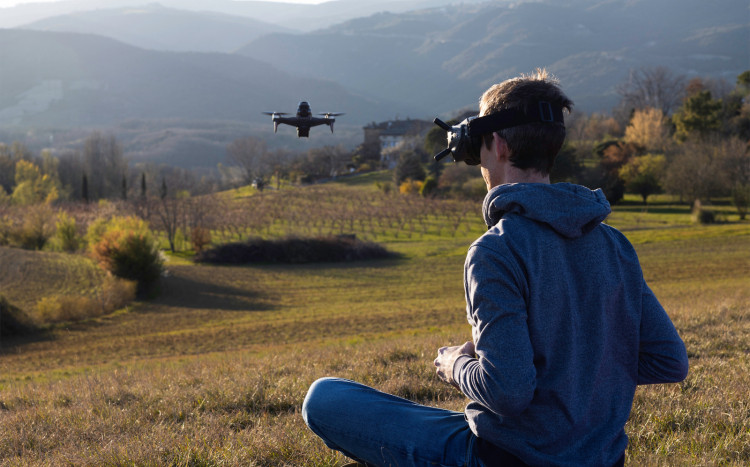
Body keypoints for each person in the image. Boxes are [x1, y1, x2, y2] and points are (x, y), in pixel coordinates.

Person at [302, 69, 689, 467]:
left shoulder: (497, 250)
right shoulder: (615, 244)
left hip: (504, 458)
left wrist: (456, 365)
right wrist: (581, 374)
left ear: (499, 145)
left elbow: (508, 393)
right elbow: (669, 361)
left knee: (324, 397)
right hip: (602, 459)